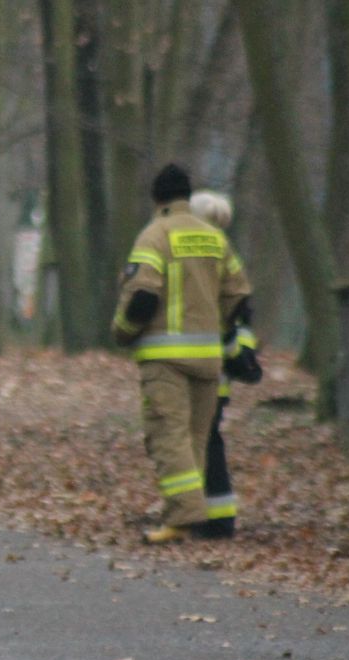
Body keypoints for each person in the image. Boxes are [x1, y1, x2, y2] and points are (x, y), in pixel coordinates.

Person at [111, 164, 252, 544]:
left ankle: (181, 519)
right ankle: (196, 514)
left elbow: (142, 297)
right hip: (208, 357)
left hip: (165, 357)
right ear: (188, 197)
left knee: (168, 435)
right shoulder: (215, 238)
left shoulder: (154, 236)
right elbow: (239, 295)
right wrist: (219, 329)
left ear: (157, 199)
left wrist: (122, 333)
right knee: (196, 438)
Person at [189, 189, 262, 538]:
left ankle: (213, 518)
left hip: (198, 367)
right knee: (208, 440)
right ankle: (214, 512)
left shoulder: (200, 256)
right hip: (218, 368)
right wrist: (238, 355)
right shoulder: (227, 255)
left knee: (200, 443)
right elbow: (241, 314)